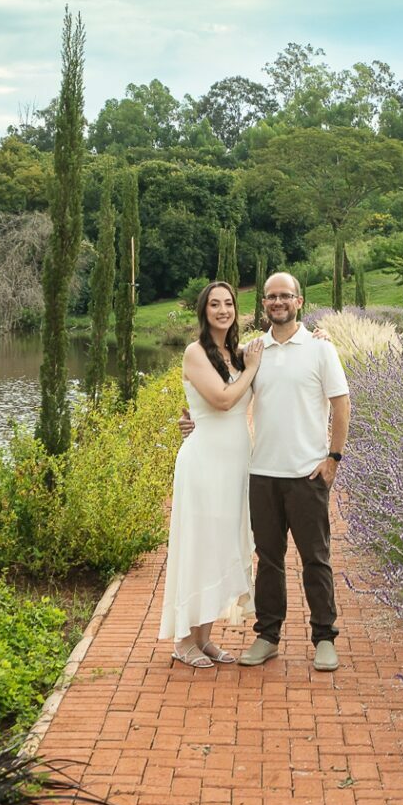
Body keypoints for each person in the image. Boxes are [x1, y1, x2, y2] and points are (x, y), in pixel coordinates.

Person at [239, 272, 350, 673]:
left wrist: (333, 458)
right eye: (271, 296)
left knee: (315, 559)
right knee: (268, 560)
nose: (278, 302)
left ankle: (324, 638)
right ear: (263, 304)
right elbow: (226, 399)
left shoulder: (321, 349)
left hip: (307, 475)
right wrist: (194, 423)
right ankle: (267, 637)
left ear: (299, 301)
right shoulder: (253, 352)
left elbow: (341, 404)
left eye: (285, 295)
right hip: (262, 473)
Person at [158, 280, 263, 667]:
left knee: (221, 547)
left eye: (229, 303)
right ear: (204, 311)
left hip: (235, 465)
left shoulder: (237, 354)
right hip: (204, 464)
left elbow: (282, 347)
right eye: (215, 304)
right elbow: (222, 400)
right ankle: (183, 640)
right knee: (199, 547)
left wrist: (321, 338)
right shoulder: (195, 352)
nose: (223, 310)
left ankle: (204, 639)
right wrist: (252, 369)